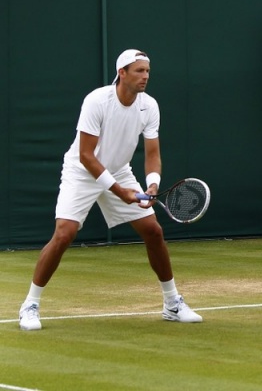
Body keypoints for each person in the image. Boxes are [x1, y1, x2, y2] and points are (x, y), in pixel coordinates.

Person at [18, 49, 202, 330]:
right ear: (122, 73)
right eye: (139, 71)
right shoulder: (97, 100)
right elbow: (86, 156)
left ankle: (172, 303)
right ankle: (30, 304)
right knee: (65, 233)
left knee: (154, 231)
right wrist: (119, 191)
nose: (145, 76)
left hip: (119, 170)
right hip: (82, 172)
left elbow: (152, 153)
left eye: (148, 71)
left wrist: (153, 182)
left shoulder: (149, 105)